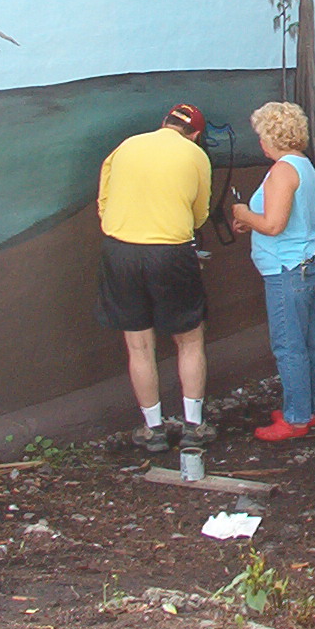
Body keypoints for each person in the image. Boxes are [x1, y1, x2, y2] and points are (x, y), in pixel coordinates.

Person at [95, 103, 215, 453]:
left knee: (139, 345)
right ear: (195, 134)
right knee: (189, 340)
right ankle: (193, 425)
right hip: (170, 251)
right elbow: (200, 214)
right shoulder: (195, 155)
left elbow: (103, 203)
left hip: (120, 251)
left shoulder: (125, 147)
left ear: (164, 123)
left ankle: (153, 429)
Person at [232, 101, 315, 442]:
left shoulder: (281, 172)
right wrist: (252, 221)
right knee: (308, 340)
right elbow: (287, 216)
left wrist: (243, 214)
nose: (260, 141)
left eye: (261, 134)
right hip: (311, 258)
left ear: (270, 138)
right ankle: (311, 406)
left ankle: (296, 418)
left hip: (288, 269)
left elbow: (274, 225)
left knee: (289, 345)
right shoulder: (303, 164)